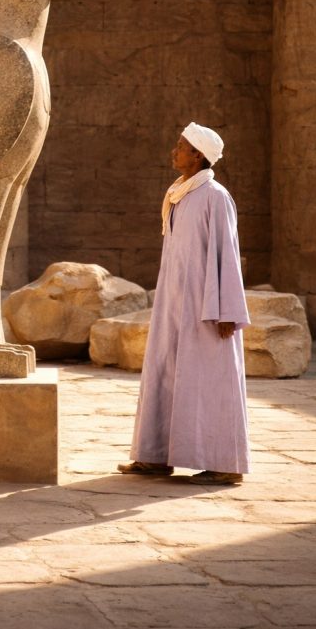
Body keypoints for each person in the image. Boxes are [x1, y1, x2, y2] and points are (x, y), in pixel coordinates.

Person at [118, 122, 250, 485]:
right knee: (164, 372)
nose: (173, 151)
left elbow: (227, 254)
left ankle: (225, 464)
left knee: (210, 380)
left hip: (205, 308)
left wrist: (226, 310)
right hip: (173, 303)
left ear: (198, 155)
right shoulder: (179, 194)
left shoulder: (215, 197)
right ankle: (156, 456)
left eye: (180, 146)